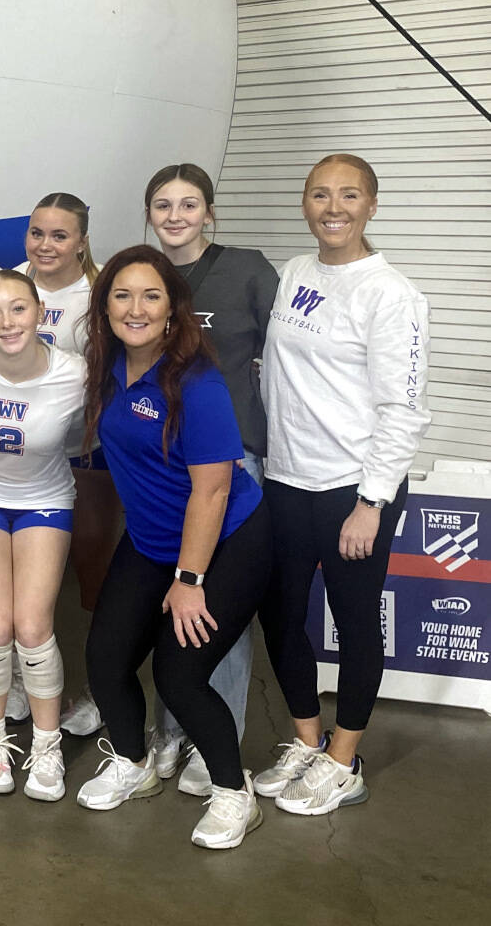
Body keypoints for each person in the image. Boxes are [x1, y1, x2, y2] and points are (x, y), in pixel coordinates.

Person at [74, 246, 271, 851]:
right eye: (122, 295)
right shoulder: (107, 365)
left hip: (228, 540)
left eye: (150, 295)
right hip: (153, 538)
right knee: (106, 660)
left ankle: (235, 795)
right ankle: (134, 762)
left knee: (179, 675)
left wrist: (188, 581)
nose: (136, 308)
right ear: (105, 307)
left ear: (172, 308)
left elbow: (211, 492)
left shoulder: (196, 382)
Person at [255, 154, 430, 815]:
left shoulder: (390, 294)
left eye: (349, 195)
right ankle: (306, 739)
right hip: (286, 480)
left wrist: (371, 503)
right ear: (305, 203)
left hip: (351, 489)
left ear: (372, 206)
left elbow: (403, 408)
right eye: (321, 194)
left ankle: (344, 759)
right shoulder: (298, 273)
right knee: (280, 615)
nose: (334, 207)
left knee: (357, 623)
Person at [142, 164, 279, 794]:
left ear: (209, 211)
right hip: (165, 466)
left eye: (188, 203)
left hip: (230, 462)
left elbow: (285, 364)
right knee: (174, 596)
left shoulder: (247, 268)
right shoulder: (146, 275)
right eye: (163, 204)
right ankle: (170, 730)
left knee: (216, 607)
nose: (176, 215)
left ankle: (211, 737)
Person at [0, 269, 86, 800]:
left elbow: (88, 434)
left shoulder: (75, 373)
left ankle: (46, 747)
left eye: (18, 309)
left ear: (40, 313)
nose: (7, 322)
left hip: (45, 499)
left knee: (31, 625)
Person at [15, 192, 111, 738]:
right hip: (18, 457)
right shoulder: (7, 283)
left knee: (89, 579)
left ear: (81, 241)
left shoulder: (98, 294)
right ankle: (24, 686)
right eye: (37, 232)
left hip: (84, 453)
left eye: (58, 235)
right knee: (26, 587)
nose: (45, 245)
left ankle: (95, 688)